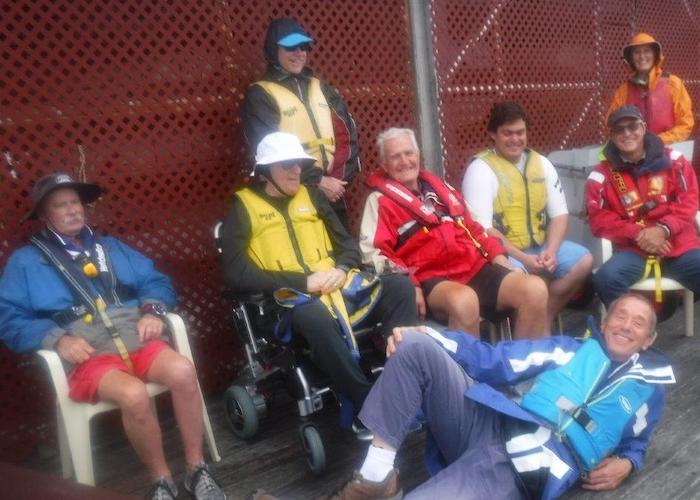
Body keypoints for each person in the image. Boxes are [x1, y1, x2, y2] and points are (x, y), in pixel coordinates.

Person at [0, 174, 225, 500]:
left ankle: (196, 469)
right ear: (45, 217)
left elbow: (156, 281)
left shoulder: (110, 247)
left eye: (75, 202)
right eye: (60, 206)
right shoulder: (26, 262)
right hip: (90, 354)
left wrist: (152, 310)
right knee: (134, 395)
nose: (72, 210)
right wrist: (58, 339)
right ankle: (161, 482)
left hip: (137, 338)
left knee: (184, 371)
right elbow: (8, 318)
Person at [324, 293, 673, 499]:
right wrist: (436, 337)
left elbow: (636, 442)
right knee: (416, 345)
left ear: (648, 341)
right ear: (605, 322)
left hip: (523, 465)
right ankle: (376, 476)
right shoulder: (569, 350)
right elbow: (497, 359)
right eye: (620, 316)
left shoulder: (647, 392)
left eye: (638, 322)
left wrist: (629, 463)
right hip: (490, 423)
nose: (626, 325)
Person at [220, 132, 416, 414]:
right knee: (312, 313)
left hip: (339, 289)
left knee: (400, 288)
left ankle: (404, 381)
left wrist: (341, 268)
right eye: (286, 165)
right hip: (286, 305)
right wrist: (302, 282)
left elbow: (347, 247)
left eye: (298, 164)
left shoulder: (313, 197)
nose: (295, 170)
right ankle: (366, 402)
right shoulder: (243, 207)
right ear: (265, 171)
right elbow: (236, 273)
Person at [359, 127, 549, 338]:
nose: (404, 161)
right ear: (384, 165)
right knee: (465, 301)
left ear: (418, 155)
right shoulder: (378, 202)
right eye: (395, 156)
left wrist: (500, 259)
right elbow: (374, 255)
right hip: (431, 279)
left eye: (409, 153)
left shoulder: (443, 189)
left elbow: (477, 229)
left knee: (535, 289)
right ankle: (464, 372)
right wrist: (409, 285)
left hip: (474, 269)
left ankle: (528, 367)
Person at [463, 101, 593, 327]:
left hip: (539, 248)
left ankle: (543, 319)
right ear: (493, 134)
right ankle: (527, 329)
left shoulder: (541, 163)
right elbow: (482, 230)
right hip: (503, 254)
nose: (515, 139)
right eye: (508, 133)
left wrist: (550, 252)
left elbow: (560, 215)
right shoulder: (481, 169)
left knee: (583, 261)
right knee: (528, 282)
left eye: (520, 132)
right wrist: (524, 259)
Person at [242, 17, 360, 229]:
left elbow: (346, 134)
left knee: (346, 257)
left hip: (334, 193)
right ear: (273, 51)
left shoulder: (321, 87)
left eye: (303, 47)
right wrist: (317, 181)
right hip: (292, 195)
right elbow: (267, 148)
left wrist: (337, 183)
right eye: (290, 47)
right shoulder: (260, 95)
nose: (299, 53)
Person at [586, 105, 700, 307]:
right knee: (606, 279)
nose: (627, 133)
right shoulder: (600, 175)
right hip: (633, 251)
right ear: (611, 136)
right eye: (619, 130)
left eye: (632, 126)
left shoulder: (675, 161)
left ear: (644, 127)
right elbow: (599, 220)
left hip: (679, 246)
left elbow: (690, 201)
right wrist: (640, 234)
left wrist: (664, 229)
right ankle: (631, 331)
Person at [608, 32, 694, 145]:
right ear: (631, 58)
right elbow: (612, 124)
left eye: (647, 51)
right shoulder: (623, 91)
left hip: (667, 150)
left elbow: (685, 124)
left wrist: (658, 141)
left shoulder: (673, 83)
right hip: (634, 154)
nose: (642, 56)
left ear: (655, 55)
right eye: (637, 52)